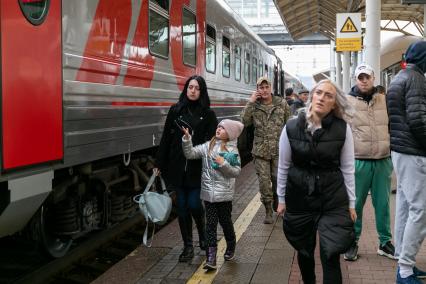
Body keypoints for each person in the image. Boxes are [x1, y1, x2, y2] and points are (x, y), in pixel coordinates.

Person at [277, 79, 356, 284]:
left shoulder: (342, 129)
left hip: (332, 198)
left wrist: (352, 203)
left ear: (334, 103)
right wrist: (281, 199)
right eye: (319, 93)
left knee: (331, 252)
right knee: (304, 250)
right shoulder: (291, 127)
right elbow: (284, 165)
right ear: (312, 96)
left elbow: (347, 168)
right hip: (300, 196)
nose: (322, 97)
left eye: (328, 95)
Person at [155, 75, 218, 262]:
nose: (193, 91)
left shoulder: (208, 114)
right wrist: (159, 163)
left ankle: (204, 236)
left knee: (195, 205)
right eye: (190, 87)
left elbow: (212, 143)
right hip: (177, 167)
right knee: (181, 209)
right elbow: (166, 138)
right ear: (185, 89)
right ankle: (188, 247)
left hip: (197, 168)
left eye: (197, 88)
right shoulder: (175, 110)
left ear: (202, 91)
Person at [343, 63, 395, 262]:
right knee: (354, 205)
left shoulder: (385, 99)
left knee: (383, 204)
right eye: (360, 77)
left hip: (382, 161)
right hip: (358, 161)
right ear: (355, 80)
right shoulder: (346, 102)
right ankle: (352, 242)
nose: (364, 81)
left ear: (374, 79)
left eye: (367, 77)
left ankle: (385, 242)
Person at [387, 41, 426, 283]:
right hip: (413, 151)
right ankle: (405, 270)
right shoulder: (416, 79)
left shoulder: (399, 78)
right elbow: (418, 120)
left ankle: (403, 259)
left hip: (400, 150)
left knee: (404, 205)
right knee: (420, 209)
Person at [182, 119, 243, 270]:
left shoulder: (232, 151)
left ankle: (231, 245)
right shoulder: (208, 146)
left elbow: (236, 172)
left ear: (230, 134)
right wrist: (187, 139)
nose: (218, 129)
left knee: (226, 223)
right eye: (218, 127)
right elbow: (190, 154)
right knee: (210, 226)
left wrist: (223, 163)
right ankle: (211, 258)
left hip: (224, 196)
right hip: (208, 196)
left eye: (223, 128)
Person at [241, 77, 291, 224]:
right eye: (260, 88)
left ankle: (278, 203)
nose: (263, 90)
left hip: (278, 151)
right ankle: (268, 210)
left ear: (271, 88)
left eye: (266, 87)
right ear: (257, 89)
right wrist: (250, 102)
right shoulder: (254, 105)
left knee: (278, 180)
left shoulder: (282, 104)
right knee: (264, 183)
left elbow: (290, 125)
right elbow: (244, 121)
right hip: (260, 151)